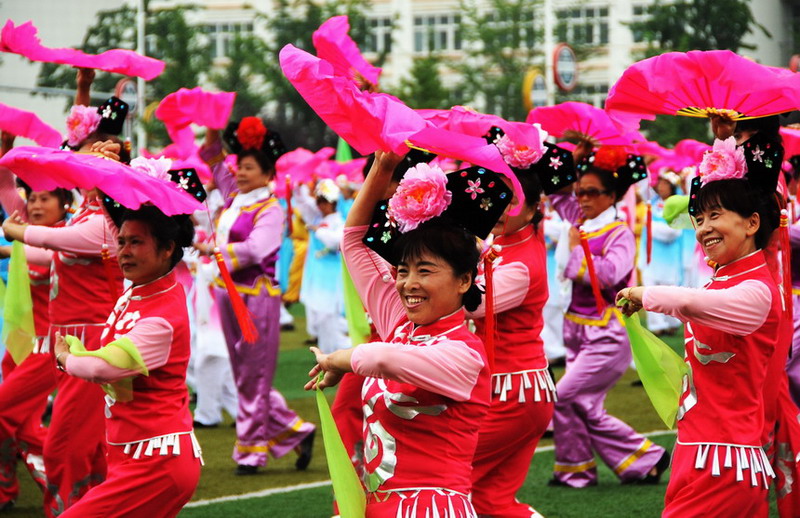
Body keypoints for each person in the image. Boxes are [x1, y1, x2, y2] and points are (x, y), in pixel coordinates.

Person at [306, 151, 512, 517]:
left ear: (465, 280)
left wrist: (339, 359)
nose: (408, 284)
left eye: (425, 271)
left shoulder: (463, 355)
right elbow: (353, 241)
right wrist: (382, 168)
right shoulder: (399, 327)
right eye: (403, 271)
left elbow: (379, 358)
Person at [617, 136, 782, 517]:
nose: (704, 228)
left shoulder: (757, 290)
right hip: (697, 451)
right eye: (700, 218)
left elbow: (691, 303)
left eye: (716, 215)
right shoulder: (720, 280)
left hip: (726, 463)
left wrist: (645, 293)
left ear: (752, 223)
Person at [1, 130, 126, 515]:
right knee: (81, 446)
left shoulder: (103, 223)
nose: (77, 163)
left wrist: (15, 230)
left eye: (89, 161)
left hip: (86, 345)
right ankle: (98, 503)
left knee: (66, 446)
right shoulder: (83, 217)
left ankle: (71, 509)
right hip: (62, 345)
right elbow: (40, 253)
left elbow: (46, 242)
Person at [53, 203, 202, 517]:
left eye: (136, 242)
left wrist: (66, 357)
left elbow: (102, 368)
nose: (124, 251)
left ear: (167, 249)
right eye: (121, 242)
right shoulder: (138, 291)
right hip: (133, 454)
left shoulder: (162, 318)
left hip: (156, 464)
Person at [197, 120, 314, 475]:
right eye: (240, 166)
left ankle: (250, 453)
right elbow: (215, 163)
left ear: (267, 175)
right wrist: (213, 133)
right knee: (245, 374)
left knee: (252, 375)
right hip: (226, 295)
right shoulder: (236, 198)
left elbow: (257, 248)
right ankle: (296, 429)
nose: (240, 172)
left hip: (256, 299)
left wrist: (214, 250)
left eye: (249, 167)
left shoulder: (270, 209)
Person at [547, 145, 668, 488]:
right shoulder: (579, 221)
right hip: (576, 330)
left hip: (607, 335)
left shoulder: (618, 232)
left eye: (591, 193)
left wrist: (574, 251)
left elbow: (613, 273)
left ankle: (644, 454)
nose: (582, 199)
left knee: (565, 396)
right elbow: (556, 193)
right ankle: (575, 470)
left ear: (611, 195)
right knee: (577, 402)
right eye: (579, 192)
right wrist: (572, 160)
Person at [468, 138, 574, 517]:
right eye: (495, 195)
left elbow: (473, 304)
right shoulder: (509, 241)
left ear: (534, 207)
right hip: (514, 389)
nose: (499, 207)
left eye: (511, 199)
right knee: (490, 500)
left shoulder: (520, 262)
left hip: (511, 393)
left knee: (444, 470)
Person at [0, 164, 72, 510]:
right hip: (19, 344)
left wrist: (10, 241)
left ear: (64, 205)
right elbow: (4, 186)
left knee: (4, 414)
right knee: (15, 422)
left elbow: (42, 256)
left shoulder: (66, 239)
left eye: (47, 198)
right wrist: (5, 154)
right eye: (34, 198)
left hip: (47, 351)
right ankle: (7, 491)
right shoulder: (27, 227)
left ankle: (71, 476)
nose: (37, 204)